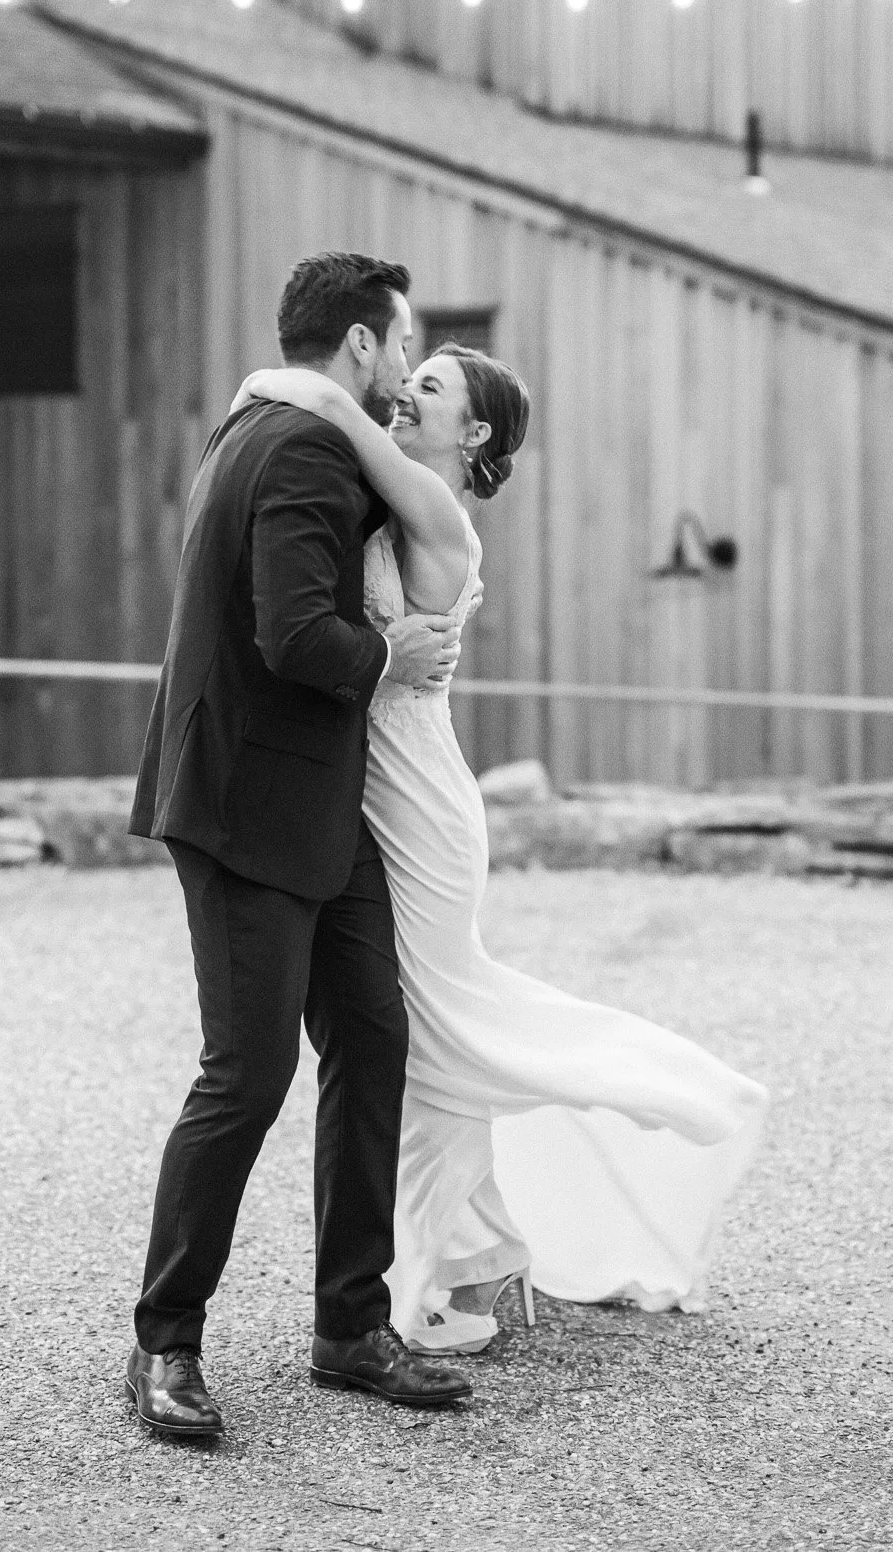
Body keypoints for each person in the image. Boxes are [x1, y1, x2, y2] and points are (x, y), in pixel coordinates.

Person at [236, 342, 769, 1356]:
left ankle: (451, 1266)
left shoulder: (440, 517)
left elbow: (342, 421)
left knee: (431, 1043)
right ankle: (475, 1255)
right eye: (411, 376)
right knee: (419, 1039)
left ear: (473, 433)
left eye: (430, 387)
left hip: (419, 806)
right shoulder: (383, 506)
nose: (405, 393)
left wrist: (286, 385)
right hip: (369, 794)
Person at [124, 253, 474, 1441]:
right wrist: (391, 655)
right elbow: (291, 633)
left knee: (371, 1037)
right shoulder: (303, 451)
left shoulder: (270, 425)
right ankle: (164, 1343)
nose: (404, 367)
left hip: (319, 806)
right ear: (361, 344)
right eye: (402, 342)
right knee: (246, 1074)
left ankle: (348, 1328)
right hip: (241, 805)